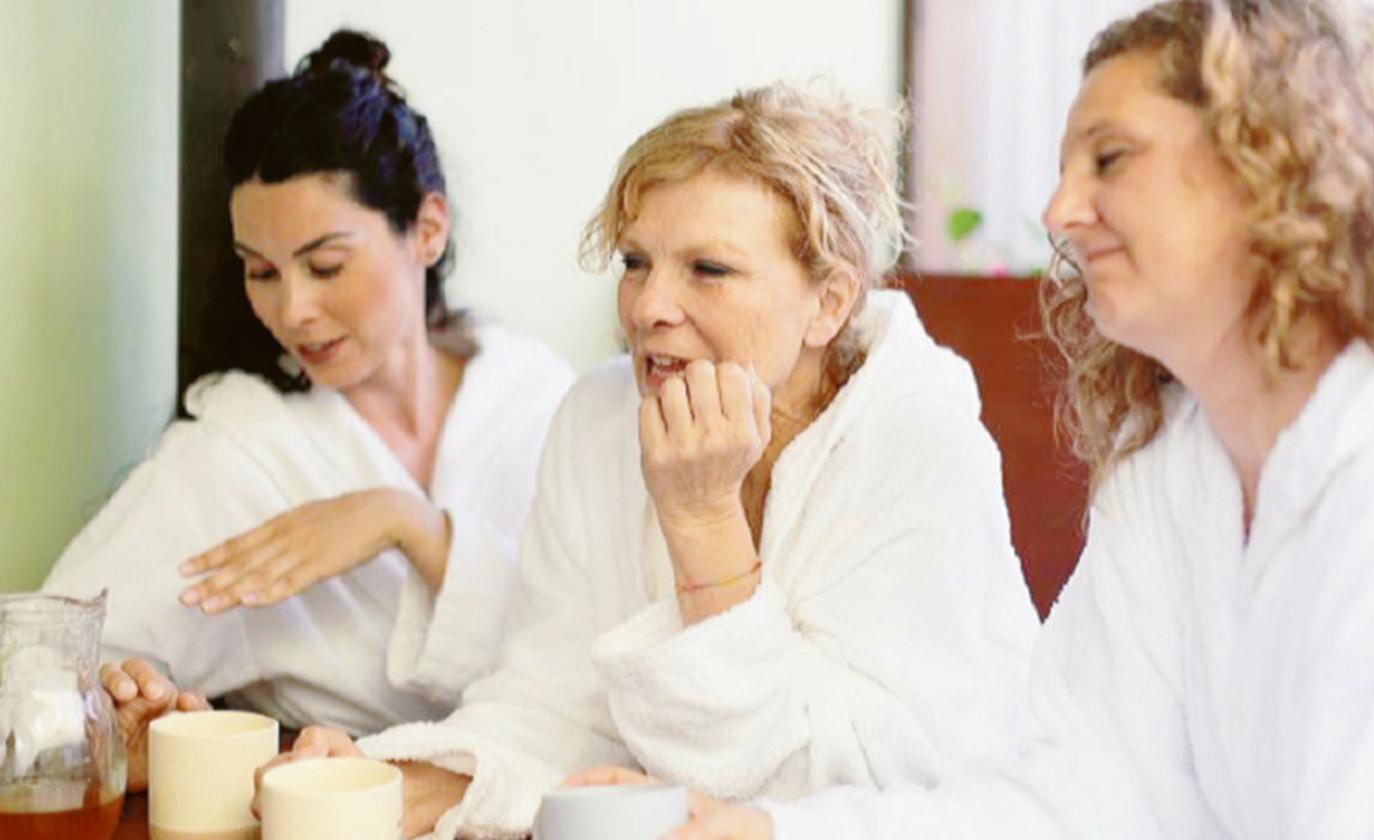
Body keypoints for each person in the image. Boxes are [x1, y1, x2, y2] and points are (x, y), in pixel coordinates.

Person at [575, 1, 1374, 837]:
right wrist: (765, 833)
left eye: (1109, 159)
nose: (1060, 210)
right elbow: (1071, 801)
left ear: (1273, 167)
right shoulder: (1178, 474)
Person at [262, 82, 1041, 839]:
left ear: (829, 303)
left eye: (709, 270)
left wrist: (701, 519)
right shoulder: (598, 422)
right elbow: (554, 702)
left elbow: (867, 790)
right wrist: (396, 786)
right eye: (636, 262)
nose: (647, 308)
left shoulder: (917, 448)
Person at [41, 30, 574, 792]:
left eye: (327, 265)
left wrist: (412, 524)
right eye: (261, 272)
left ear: (427, 229)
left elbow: (595, 646)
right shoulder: (238, 451)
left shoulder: (538, 397)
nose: (293, 310)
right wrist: (133, 710)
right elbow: (51, 659)